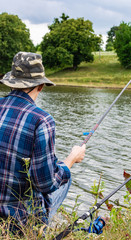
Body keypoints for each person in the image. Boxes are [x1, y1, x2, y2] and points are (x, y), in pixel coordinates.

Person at [0, 52, 86, 229]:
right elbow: (46, 184)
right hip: (18, 224)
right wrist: (71, 159)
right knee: (64, 176)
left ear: (12, 82)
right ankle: (41, 228)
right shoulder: (42, 120)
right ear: (40, 86)